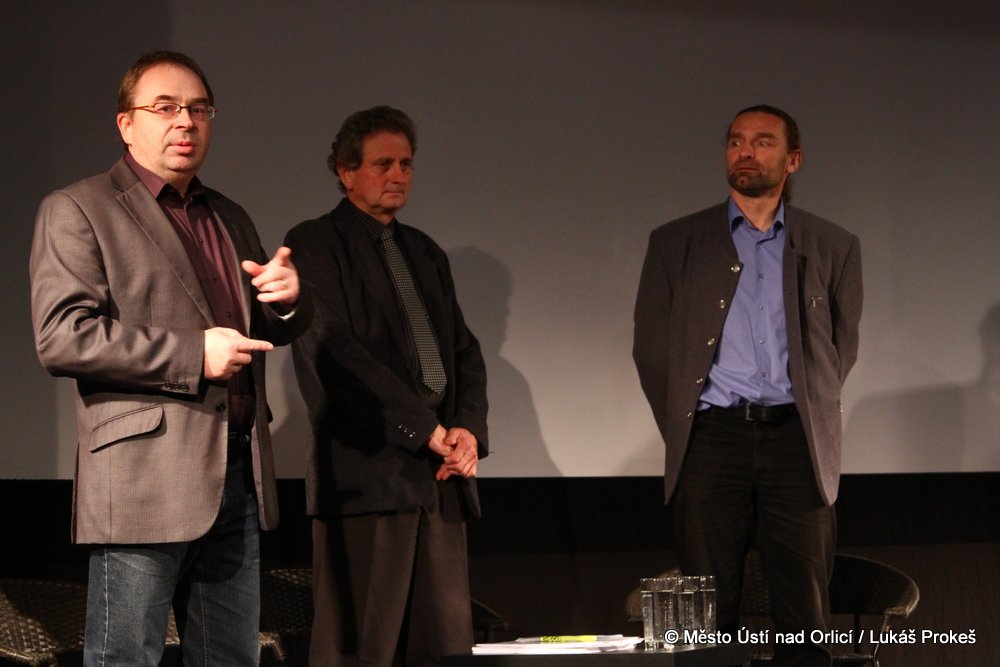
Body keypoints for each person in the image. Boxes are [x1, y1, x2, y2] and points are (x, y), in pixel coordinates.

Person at [29, 51, 311, 666]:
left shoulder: (228, 215)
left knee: (230, 659)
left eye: (199, 109)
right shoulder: (79, 207)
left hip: (237, 473)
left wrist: (285, 304)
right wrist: (193, 353)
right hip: (143, 477)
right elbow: (63, 335)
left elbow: (254, 330)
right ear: (126, 124)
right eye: (165, 107)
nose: (185, 121)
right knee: (126, 658)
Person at [633, 105, 863, 666]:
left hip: (796, 441)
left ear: (793, 160)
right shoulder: (675, 242)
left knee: (804, 616)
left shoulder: (832, 244)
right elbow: (652, 350)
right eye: (736, 141)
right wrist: (688, 427)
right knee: (704, 620)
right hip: (713, 438)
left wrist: (808, 407)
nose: (745, 152)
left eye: (762, 142)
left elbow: (839, 348)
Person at [285, 106, 488, 666]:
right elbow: (335, 354)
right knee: (364, 652)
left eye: (406, 164)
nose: (398, 175)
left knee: (443, 649)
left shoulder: (424, 251)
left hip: (439, 480)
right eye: (382, 164)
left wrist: (467, 429)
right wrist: (425, 429)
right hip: (365, 480)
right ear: (346, 171)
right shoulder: (314, 244)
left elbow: (463, 351)